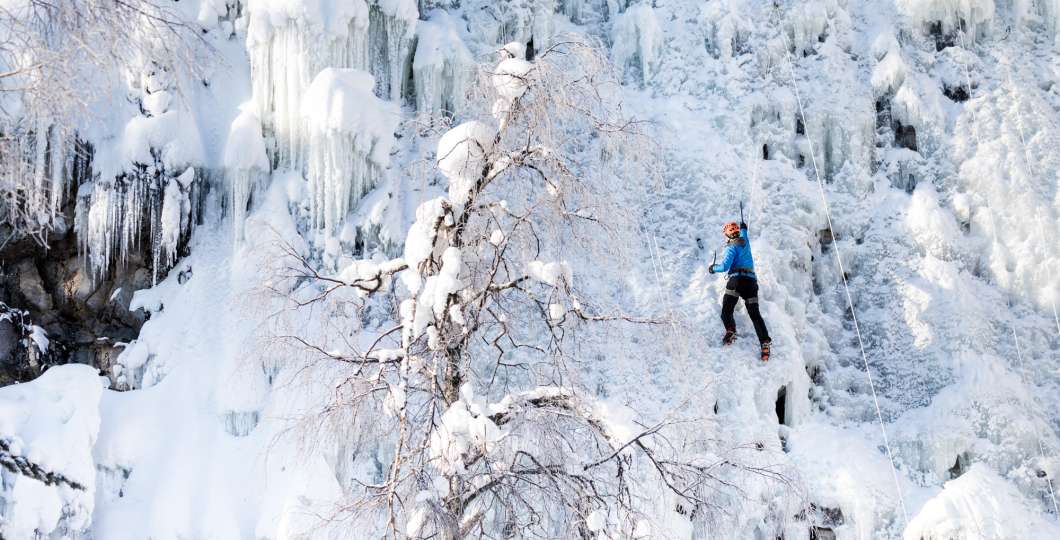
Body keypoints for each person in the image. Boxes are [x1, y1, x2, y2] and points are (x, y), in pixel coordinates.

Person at [709, 220, 772, 361]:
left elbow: (725, 266)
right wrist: (744, 227)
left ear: (727, 235)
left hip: (736, 281)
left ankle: (731, 330)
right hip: (751, 282)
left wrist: (713, 268)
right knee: (755, 315)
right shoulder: (745, 241)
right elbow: (744, 232)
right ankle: (765, 343)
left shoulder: (731, 247)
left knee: (727, 310)